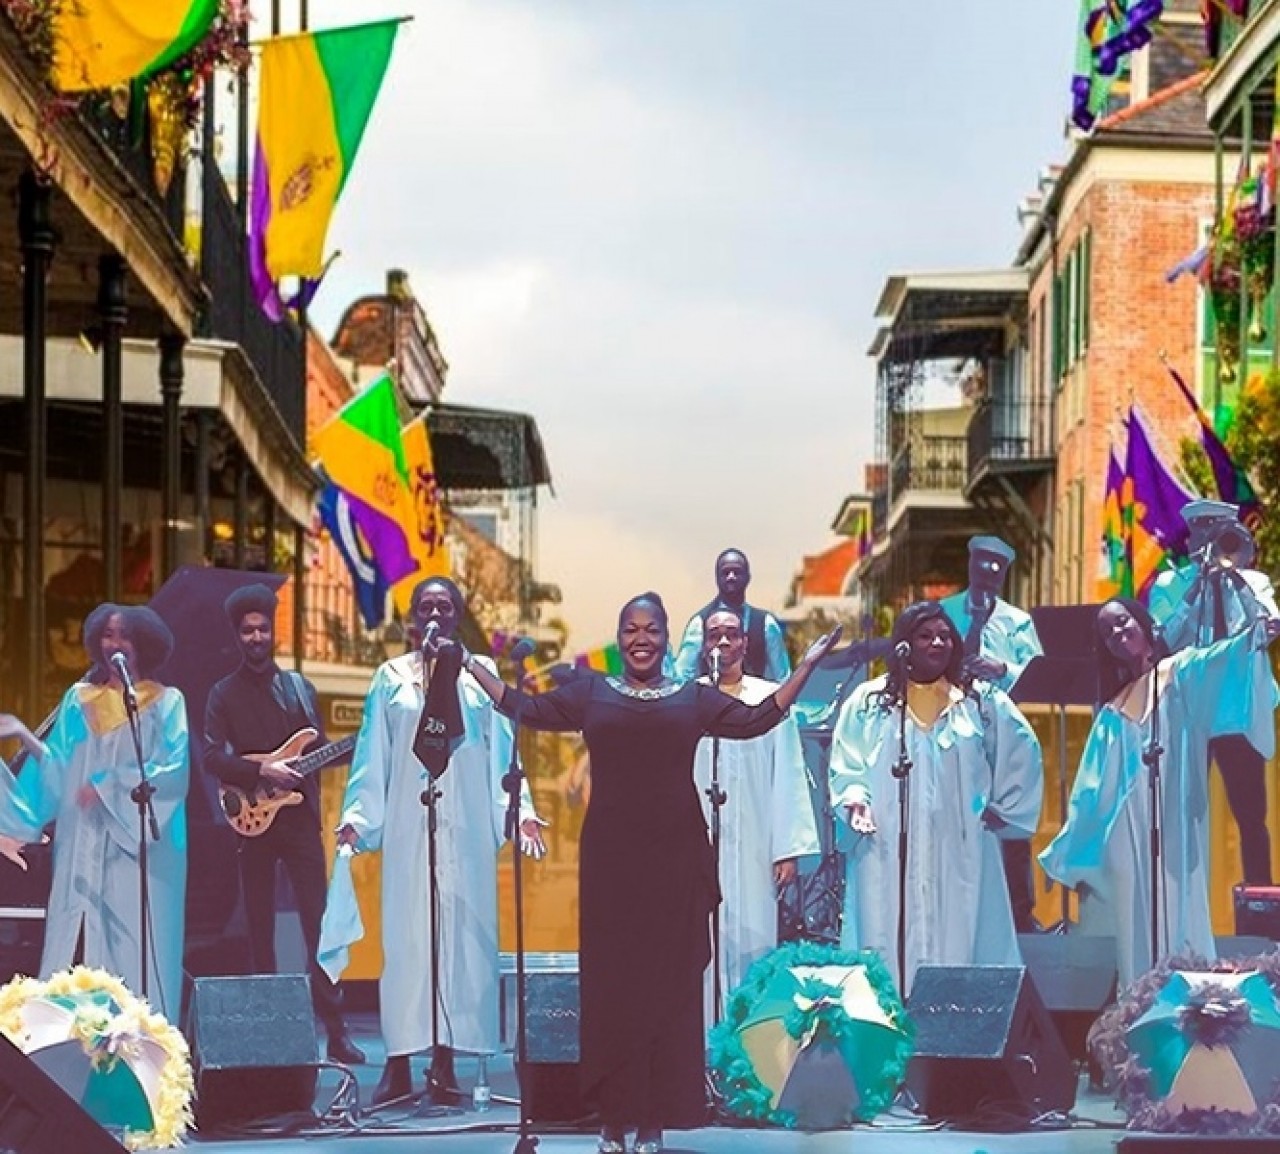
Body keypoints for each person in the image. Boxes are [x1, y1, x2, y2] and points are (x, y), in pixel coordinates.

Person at [459, 591, 839, 1154]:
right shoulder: (592, 692)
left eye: (652, 630)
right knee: (614, 988)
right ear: (620, 637)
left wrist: (805, 666)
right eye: (631, 629)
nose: (641, 639)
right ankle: (613, 1119)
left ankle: (653, 1122)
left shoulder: (692, 697)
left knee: (667, 987)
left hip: (676, 857)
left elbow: (759, 719)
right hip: (612, 858)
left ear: (666, 638)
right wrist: (471, 664)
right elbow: (527, 708)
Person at [319, 576, 546, 1106]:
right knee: (407, 945)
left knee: (461, 944)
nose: (436, 615)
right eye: (427, 607)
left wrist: (521, 812)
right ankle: (398, 1063)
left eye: (445, 606)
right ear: (414, 618)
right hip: (406, 826)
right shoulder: (390, 677)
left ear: (458, 615)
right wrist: (358, 817)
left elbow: (501, 752)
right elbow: (372, 753)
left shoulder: (478, 675)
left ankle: (446, 1064)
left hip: (463, 829)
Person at [1040, 598, 1279, 988]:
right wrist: (1067, 853)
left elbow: (1216, 660)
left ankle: (1191, 1011)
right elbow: (1090, 793)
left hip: (1175, 824)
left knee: (1180, 911)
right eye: (1107, 633)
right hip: (1126, 841)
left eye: (1122, 623)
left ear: (1145, 625)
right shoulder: (1112, 712)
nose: (1118, 634)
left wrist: (1251, 638)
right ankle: (1139, 1010)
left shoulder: (1180, 675)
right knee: (1135, 927)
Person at [829, 600, 1042, 995]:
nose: (937, 643)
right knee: (886, 925)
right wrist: (855, 800)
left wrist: (1004, 807)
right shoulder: (871, 701)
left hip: (960, 845)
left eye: (945, 636)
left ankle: (960, 1029)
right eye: (925, 636)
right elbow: (847, 761)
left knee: (963, 928)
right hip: (888, 840)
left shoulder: (978, 700)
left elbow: (1021, 749)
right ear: (904, 644)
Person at [0, 604, 188, 1016]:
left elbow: (172, 771)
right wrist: (23, 736)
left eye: (123, 635)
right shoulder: (79, 699)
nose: (114, 644)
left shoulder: (165, 703)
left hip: (137, 853)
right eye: (107, 634)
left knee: (136, 948)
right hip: (82, 842)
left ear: (142, 644)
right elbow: (58, 768)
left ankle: (144, 1050)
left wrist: (106, 787)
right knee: (76, 945)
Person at [203, 583, 364, 1065]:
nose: (256, 637)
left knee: (318, 924)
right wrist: (261, 771)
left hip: (298, 823)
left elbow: (317, 752)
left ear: (273, 633)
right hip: (252, 825)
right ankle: (266, 1029)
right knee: (258, 928)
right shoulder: (222, 694)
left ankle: (335, 1032)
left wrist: (358, 745)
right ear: (237, 637)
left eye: (263, 629)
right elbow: (212, 756)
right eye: (247, 630)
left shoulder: (298, 687)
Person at [691, 608, 819, 1017]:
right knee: (699, 941)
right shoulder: (687, 699)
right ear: (703, 646)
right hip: (698, 841)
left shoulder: (769, 699)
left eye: (731, 635)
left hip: (755, 840)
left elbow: (788, 774)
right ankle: (701, 1045)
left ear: (745, 643)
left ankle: (749, 1048)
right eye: (714, 636)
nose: (723, 643)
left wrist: (787, 847)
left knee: (754, 937)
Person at [1147, 499, 1280, 884]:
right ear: (1191, 539)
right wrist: (1195, 591)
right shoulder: (1172, 584)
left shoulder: (1253, 582)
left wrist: (1233, 577)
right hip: (1190, 713)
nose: (1210, 541)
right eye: (1203, 533)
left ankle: (1260, 904)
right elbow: (1164, 641)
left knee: (1252, 815)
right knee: (1184, 813)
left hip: (1236, 711)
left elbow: (1269, 626)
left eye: (1218, 532)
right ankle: (1180, 901)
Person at [939, 534, 1045, 933]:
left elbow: (1037, 676)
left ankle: (1019, 912)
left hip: (1002, 731)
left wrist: (1002, 670)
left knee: (1008, 817)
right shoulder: (945, 612)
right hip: (952, 724)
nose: (987, 571)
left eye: (996, 566)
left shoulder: (1017, 622)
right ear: (970, 564)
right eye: (981, 562)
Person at [673, 549, 790, 682]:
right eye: (725, 572)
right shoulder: (699, 623)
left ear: (748, 577)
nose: (731, 577)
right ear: (717, 578)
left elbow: (782, 679)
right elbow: (682, 677)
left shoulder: (765, 624)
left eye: (737, 572)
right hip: (709, 701)